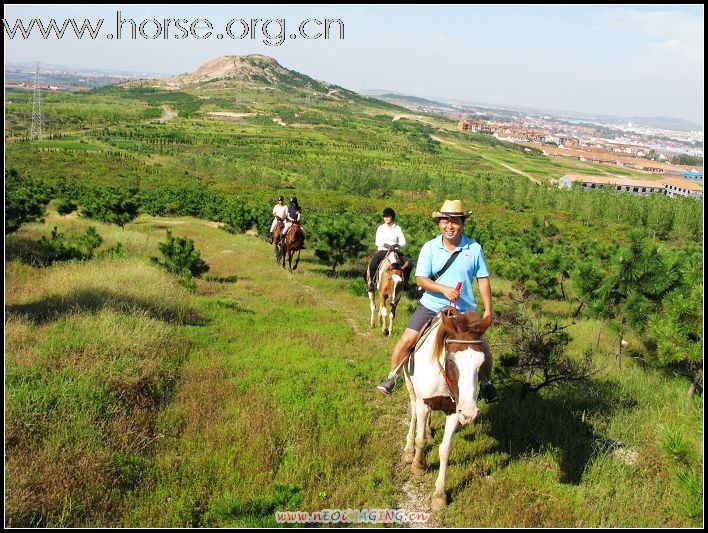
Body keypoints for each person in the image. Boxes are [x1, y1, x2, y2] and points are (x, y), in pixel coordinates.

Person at [376, 199, 499, 403]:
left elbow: (483, 280)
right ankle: (392, 376)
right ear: (440, 223)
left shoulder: (474, 248)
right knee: (407, 339)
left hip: (464, 310)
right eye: (445, 221)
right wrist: (444, 289)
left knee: (482, 346)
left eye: (455, 221)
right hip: (431, 305)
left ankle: (486, 383)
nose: (449, 226)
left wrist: (488, 311)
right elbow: (421, 280)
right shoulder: (430, 248)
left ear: (462, 224)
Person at [367, 207, 407, 292]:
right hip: (383, 250)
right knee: (373, 263)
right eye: (384, 217)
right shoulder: (380, 228)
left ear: (392, 217)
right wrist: (387, 246)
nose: (386, 218)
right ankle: (372, 283)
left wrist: (396, 245)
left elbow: (403, 241)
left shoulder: (397, 228)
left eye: (388, 216)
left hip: (394, 250)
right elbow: (377, 241)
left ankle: (406, 283)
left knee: (408, 264)